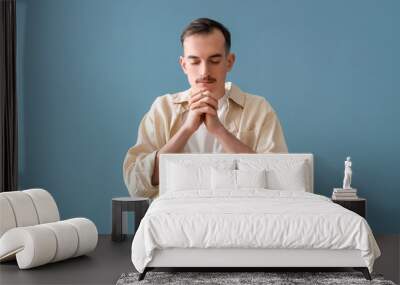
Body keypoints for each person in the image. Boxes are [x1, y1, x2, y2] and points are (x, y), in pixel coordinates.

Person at [123, 18, 288, 198]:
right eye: (195, 62)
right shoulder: (162, 108)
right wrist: (186, 130)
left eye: (214, 60)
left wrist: (219, 130)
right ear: (184, 65)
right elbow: (135, 185)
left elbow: (280, 182)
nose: (204, 72)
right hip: (175, 219)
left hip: (242, 217)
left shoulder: (259, 109)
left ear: (229, 61)